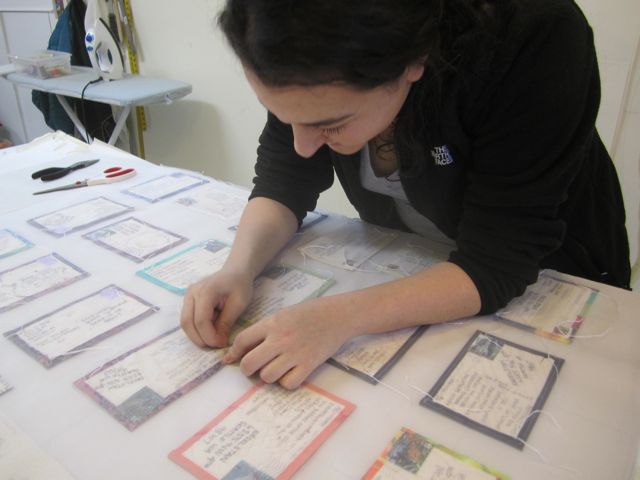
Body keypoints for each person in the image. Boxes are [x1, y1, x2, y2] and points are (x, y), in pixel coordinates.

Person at [180, 0, 631, 389]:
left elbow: (497, 263)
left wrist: (334, 319)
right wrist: (238, 269)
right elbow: (285, 178)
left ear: (414, 60)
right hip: (430, 261)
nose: (302, 143)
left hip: (553, 277)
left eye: (329, 124)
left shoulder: (533, 37)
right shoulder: (301, 36)